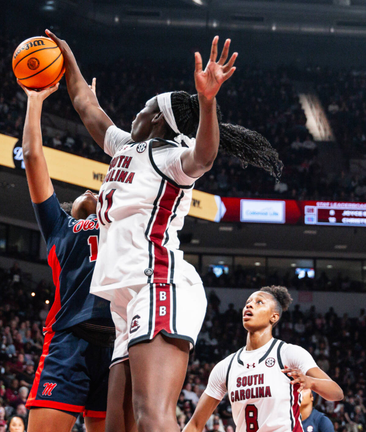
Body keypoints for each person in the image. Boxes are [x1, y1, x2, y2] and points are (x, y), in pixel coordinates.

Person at [47, 30, 282, 432]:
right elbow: (87, 106)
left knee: (152, 417)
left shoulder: (172, 157)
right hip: (125, 300)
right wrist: (68, 60)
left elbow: (205, 156)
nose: (133, 115)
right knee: (118, 428)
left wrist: (207, 102)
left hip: (158, 285)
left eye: (142, 108)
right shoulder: (124, 147)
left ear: (157, 118)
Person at [17, 77, 114, 432]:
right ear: (68, 208)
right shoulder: (58, 225)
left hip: (118, 345)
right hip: (68, 341)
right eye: (80, 194)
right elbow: (31, 155)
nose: (90, 190)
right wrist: (34, 100)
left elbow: (127, 163)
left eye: (98, 189)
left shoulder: (119, 220)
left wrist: (95, 114)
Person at [183, 286, 343, 432]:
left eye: (259, 302)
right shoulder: (226, 366)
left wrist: (311, 382)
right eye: (248, 302)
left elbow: (337, 393)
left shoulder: (288, 353)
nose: (249, 305)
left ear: (274, 317)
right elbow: (196, 424)